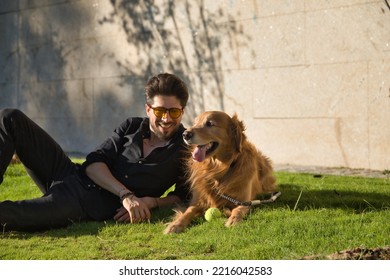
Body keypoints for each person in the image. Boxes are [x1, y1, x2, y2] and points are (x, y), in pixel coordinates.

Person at [0, 73, 190, 232]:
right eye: (159, 111)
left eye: (173, 112)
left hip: (82, 204)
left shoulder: (185, 149)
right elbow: (93, 164)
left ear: (182, 111)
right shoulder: (131, 126)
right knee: (9, 118)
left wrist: (152, 202)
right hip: (68, 172)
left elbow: (183, 196)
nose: (166, 118)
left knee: (8, 214)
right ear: (148, 109)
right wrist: (127, 195)